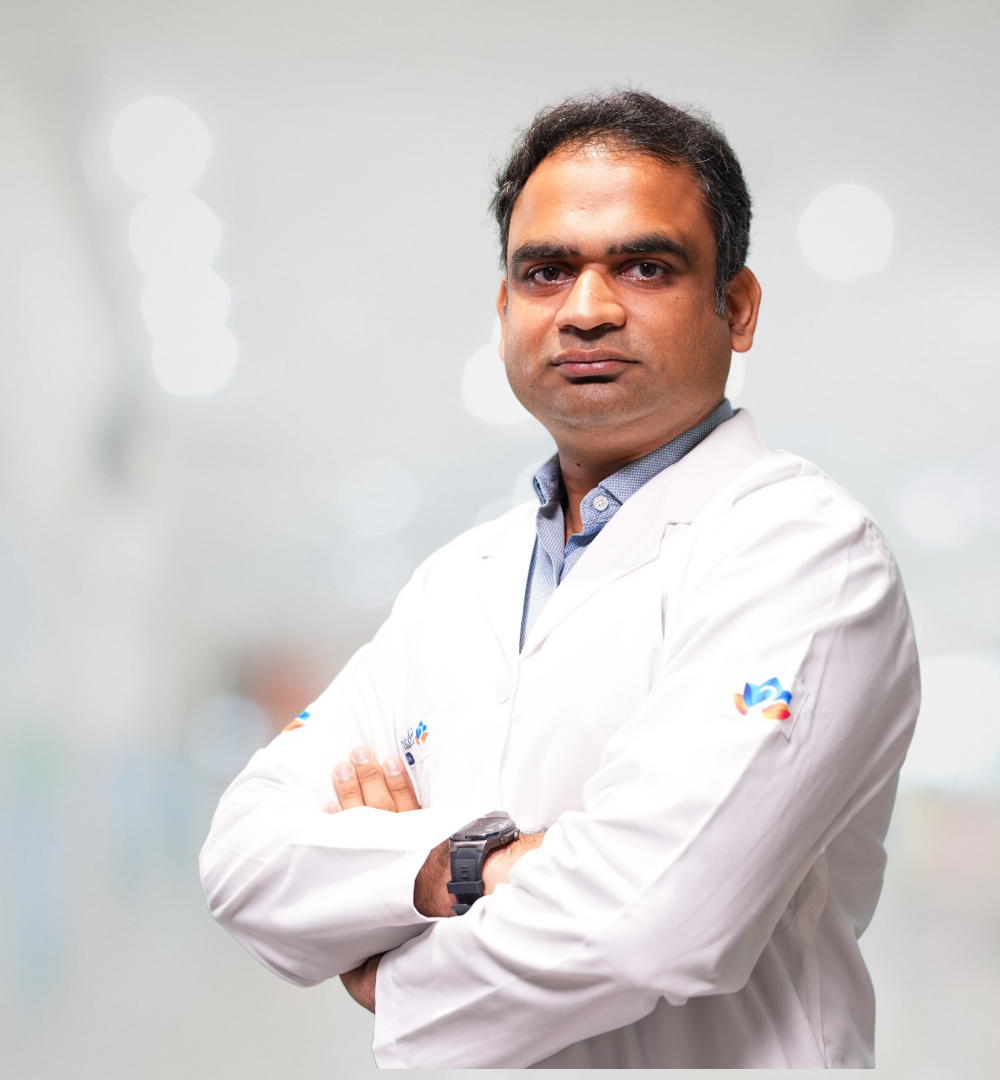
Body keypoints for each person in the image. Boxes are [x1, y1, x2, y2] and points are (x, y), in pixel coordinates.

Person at [199, 89, 919, 1069]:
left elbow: (654, 922)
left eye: (645, 266)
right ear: (505, 311)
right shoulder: (458, 584)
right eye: (546, 272)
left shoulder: (806, 556)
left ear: (738, 307)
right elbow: (243, 858)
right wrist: (471, 864)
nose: (587, 310)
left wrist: (388, 956)